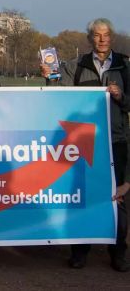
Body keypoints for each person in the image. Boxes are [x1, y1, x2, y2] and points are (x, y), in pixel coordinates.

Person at [43, 18, 130, 272]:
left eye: (106, 35)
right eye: (96, 35)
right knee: (80, 195)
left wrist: (121, 96)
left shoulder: (124, 66)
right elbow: (60, 97)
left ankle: (118, 252)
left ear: (111, 37)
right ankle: (80, 251)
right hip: (82, 140)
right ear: (89, 38)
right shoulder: (75, 66)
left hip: (115, 139)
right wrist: (49, 79)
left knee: (117, 198)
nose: (102, 39)